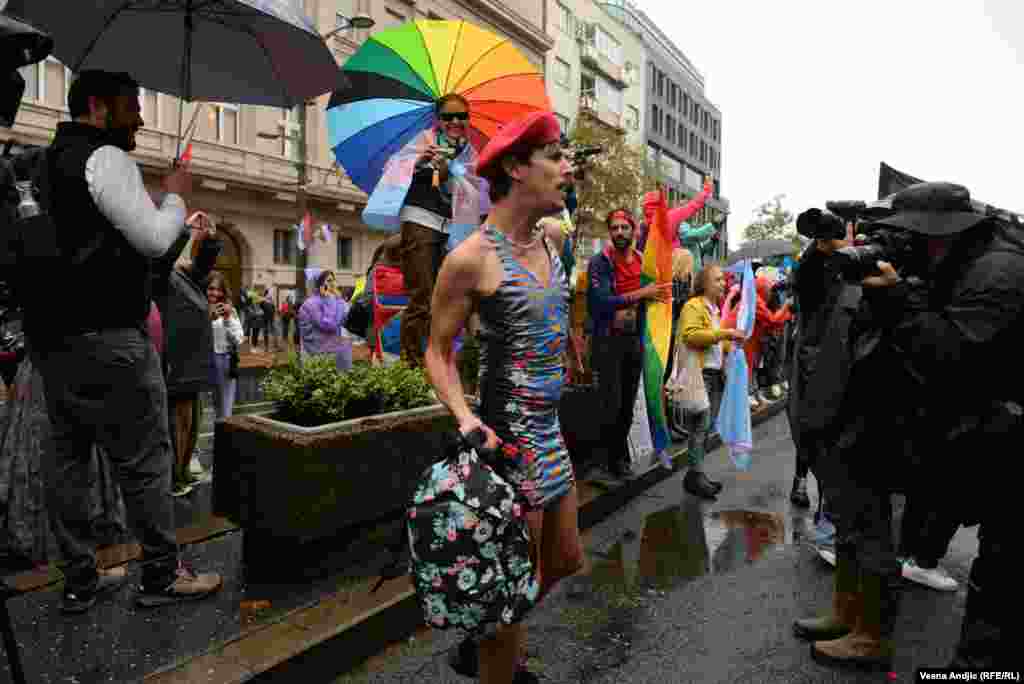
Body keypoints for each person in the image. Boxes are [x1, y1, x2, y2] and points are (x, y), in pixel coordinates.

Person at [32, 70, 222, 612]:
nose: (139, 116)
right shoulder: (106, 157)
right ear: (98, 106)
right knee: (145, 460)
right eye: (132, 104)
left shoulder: (48, 161)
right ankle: (161, 576)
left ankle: (80, 578)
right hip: (113, 337)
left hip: (55, 340)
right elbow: (154, 238)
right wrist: (175, 198)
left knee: (68, 459)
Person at [424, 111, 583, 684]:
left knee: (565, 560)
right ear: (517, 168)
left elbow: (554, 307)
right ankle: (496, 654)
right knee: (514, 587)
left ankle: (486, 637)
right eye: (555, 156)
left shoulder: (553, 238)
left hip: (551, 427)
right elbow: (437, 353)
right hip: (508, 438)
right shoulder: (471, 258)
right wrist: (466, 418)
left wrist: (571, 344)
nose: (568, 168)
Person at [586, 209, 672, 479]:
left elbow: (653, 295)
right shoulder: (600, 262)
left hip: (634, 340)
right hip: (608, 341)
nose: (620, 232)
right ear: (609, 232)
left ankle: (619, 459)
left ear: (634, 231)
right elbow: (599, 303)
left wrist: (658, 296)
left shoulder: (641, 262)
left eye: (625, 227)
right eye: (615, 228)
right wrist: (641, 294)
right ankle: (604, 463)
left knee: (626, 404)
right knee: (609, 404)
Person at [399, 94, 473, 368]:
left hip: (452, 230)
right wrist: (420, 162)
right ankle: (411, 369)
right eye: (448, 116)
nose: (455, 121)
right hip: (420, 223)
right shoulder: (423, 142)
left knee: (447, 299)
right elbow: (395, 175)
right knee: (422, 298)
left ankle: (439, 362)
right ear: (437, 119)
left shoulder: (468, 150)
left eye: (461, 116)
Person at [152, 211, 221, 497]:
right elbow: (163, 258)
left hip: (193, 370)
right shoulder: (164, 277)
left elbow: (204, 264)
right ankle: (172, 479)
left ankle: (180, 475)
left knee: (190, 427)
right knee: (175, 428)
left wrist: (211, 238)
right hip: (175, 369)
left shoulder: (191, 280)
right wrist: (183, 228)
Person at [678, 264, 744, 499]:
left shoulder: (713, 309)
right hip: (699, 374)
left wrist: (731, 344)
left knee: (704, 428)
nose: (723, 283)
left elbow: (715, 342)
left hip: (713, 373)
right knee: (700, 427)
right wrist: (725, 334)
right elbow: (691, 336)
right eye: (717, 280)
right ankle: (695, 477)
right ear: (705, 283)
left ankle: (696, 475)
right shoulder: (693, 306)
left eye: (723, 280)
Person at [206, 271, 243, 421]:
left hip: (223, 360)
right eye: (211, 288)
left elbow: (238, 339)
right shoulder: (196, 307)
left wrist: (227, 320)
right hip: (201, 362)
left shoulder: (230, 311)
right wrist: (207, 317)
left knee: (224, 410)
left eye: (218, 289)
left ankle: (223, 440)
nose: (215, 293)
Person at [297, 271, 351, 371]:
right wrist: (333, 300)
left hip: (330, 350)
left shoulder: (334, 300)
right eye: (329, 281)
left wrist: (339, 299)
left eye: (334, 280)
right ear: (320, 284)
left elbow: (346, 318)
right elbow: (329, 325)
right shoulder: (311, 303)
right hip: (316, 353)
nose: (333, 284)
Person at [260, 288, 276, 353]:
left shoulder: (270, 301)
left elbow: (273, 310)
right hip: (265, 319)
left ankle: (273, 345)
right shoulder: (263, 301)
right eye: (269, 293)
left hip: (269, 319)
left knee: (271, 331)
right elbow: (260, 308)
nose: (270, 295)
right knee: (266, 332)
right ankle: (267, 347)